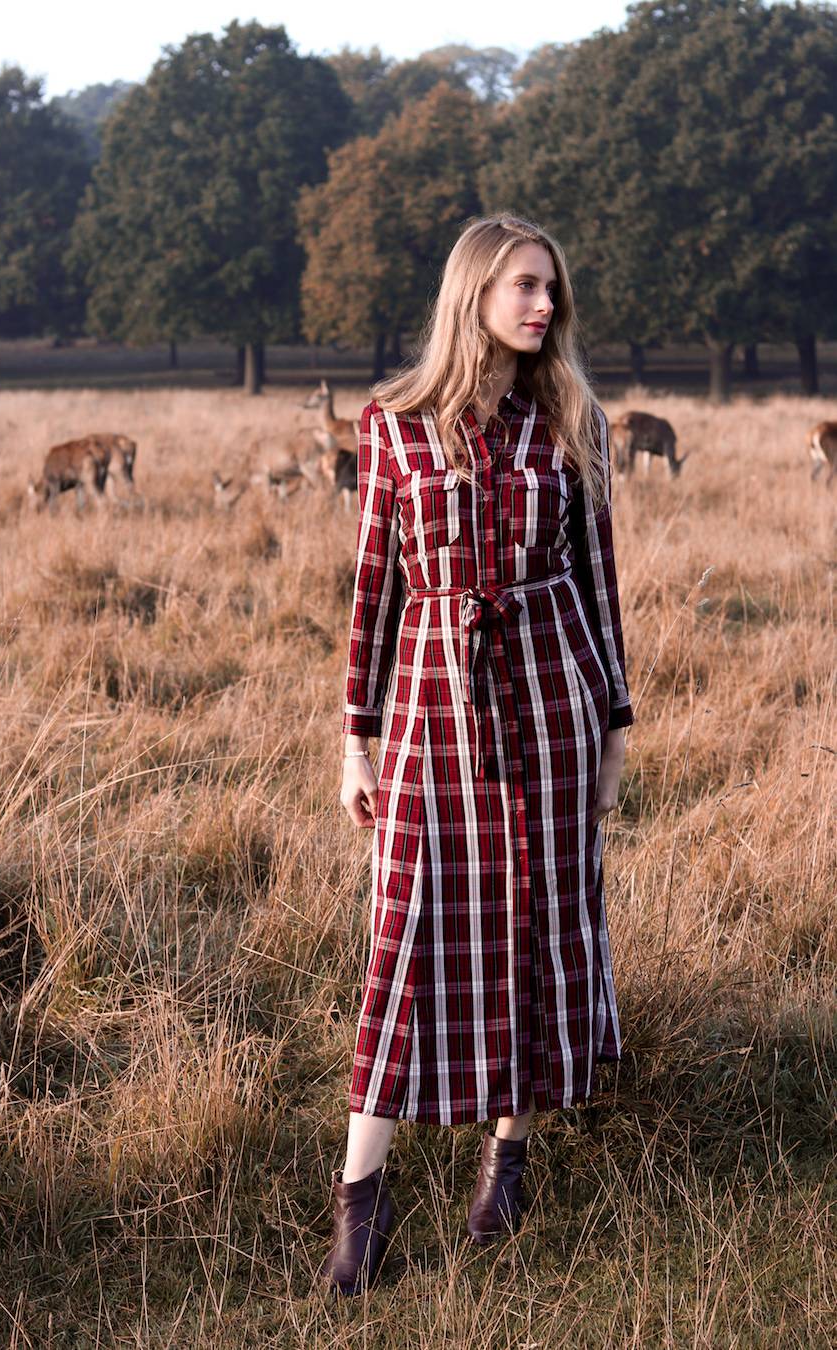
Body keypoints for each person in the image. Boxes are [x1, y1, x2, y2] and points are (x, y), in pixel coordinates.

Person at [323, 212, 635, 1298]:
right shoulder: (395, 425)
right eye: (522, 286)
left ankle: (509, 1153)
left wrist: (615, 726)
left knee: (536, 915)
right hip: (430, 710)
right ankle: (362, 1203)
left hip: (554, 703)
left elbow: (598, 585)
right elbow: (374, 593)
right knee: (403, 934)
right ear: (474, 296)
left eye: (551, 286)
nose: (544, 305)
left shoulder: (573, 422)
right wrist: (354, 736)